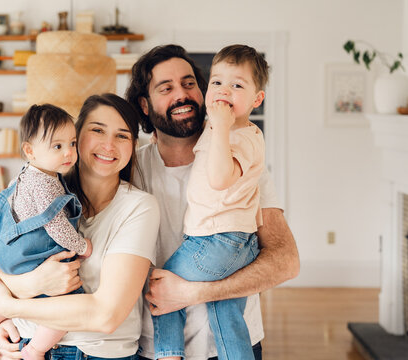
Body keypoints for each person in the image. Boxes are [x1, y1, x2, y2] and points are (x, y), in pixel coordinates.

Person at [125, 44, 300, 360]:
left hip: (231, 348)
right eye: (166, 88)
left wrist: (194, 293)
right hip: (150, 348)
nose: (182, 94)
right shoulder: (130, 170)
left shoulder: (239, 161)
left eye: (189, 83)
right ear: (145, 105)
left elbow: (286, 263)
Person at [0, 93, 160, 360]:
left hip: (95, 354)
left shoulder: (139, 207)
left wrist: (9, 305)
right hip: (23, 346)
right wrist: (13, 307)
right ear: (78, 135)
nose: (109, 145)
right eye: (97, 130)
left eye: (122, 135)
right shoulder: (38, 188)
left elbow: (105, 315)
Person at [150, 44, 267, 360]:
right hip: (235, 243)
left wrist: (222, 126)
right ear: (145, 106)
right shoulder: (136, 161)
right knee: (227, 315)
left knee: (161, 288)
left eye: (237, 85)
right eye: (217, 82)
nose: (224, 91)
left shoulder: (237, 136)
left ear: (257, 100)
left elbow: (218, 178)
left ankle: (168, 354)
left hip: (216, 241)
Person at [0, 104, 93, 360]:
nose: (69, 152)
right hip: (35, 250)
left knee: (20, 292)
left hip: (13, 252)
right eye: (57, 146)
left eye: (72, 143)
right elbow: (57, 227)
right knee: (67, 303)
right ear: (30, 151)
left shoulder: (27, 174)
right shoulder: (46, 184)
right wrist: (82, 246)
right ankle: (35, 350)